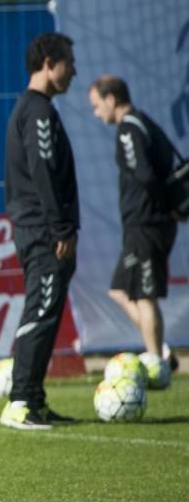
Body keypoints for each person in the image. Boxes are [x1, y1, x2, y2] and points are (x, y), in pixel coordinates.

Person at [0, 32, 80, 430]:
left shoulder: (34, 108)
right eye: (69, 62)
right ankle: (19, 401)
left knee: (47, 313)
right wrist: (61, 226)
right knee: (40, 310)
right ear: (49, 61)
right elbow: (44, 171)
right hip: (44, 231)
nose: (74, 71)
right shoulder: (38, 112)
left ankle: (34, 399)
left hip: (41, 227)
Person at [88, 74, 180, 375]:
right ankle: (161, 352)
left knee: (144, 294)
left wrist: (166, 208)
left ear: (111, 99)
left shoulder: (129, 129)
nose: (96, 112)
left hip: (146, 224)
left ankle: (156, 363)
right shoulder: (145, 122)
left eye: (96, 105)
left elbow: (143, 174)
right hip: (147, 224)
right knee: (119, 289)